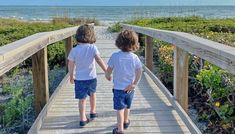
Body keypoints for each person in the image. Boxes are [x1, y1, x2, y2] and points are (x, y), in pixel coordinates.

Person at [68, 24, 107, 127]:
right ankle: (93, 112)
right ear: (90, 35)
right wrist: (106, 70)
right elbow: (99, 59)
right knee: (93, 95)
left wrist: (71, 76)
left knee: (82, 99)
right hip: (91, 78)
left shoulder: (74, 50)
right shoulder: (92, 48)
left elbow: (71, 64)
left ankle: (82, 119)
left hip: (79, 79)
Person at [105, 30, 142, 134]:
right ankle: (126, 121)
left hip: (118, 89)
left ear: (119, 43)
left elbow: (108, 70)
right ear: (134, 43)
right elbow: (139, 71)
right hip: (130, 88)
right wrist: (134, 84)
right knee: (127, 106)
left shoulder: (114, 56)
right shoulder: (134, 57)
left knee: (120, 109)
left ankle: (120, 130)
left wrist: (107, 76)